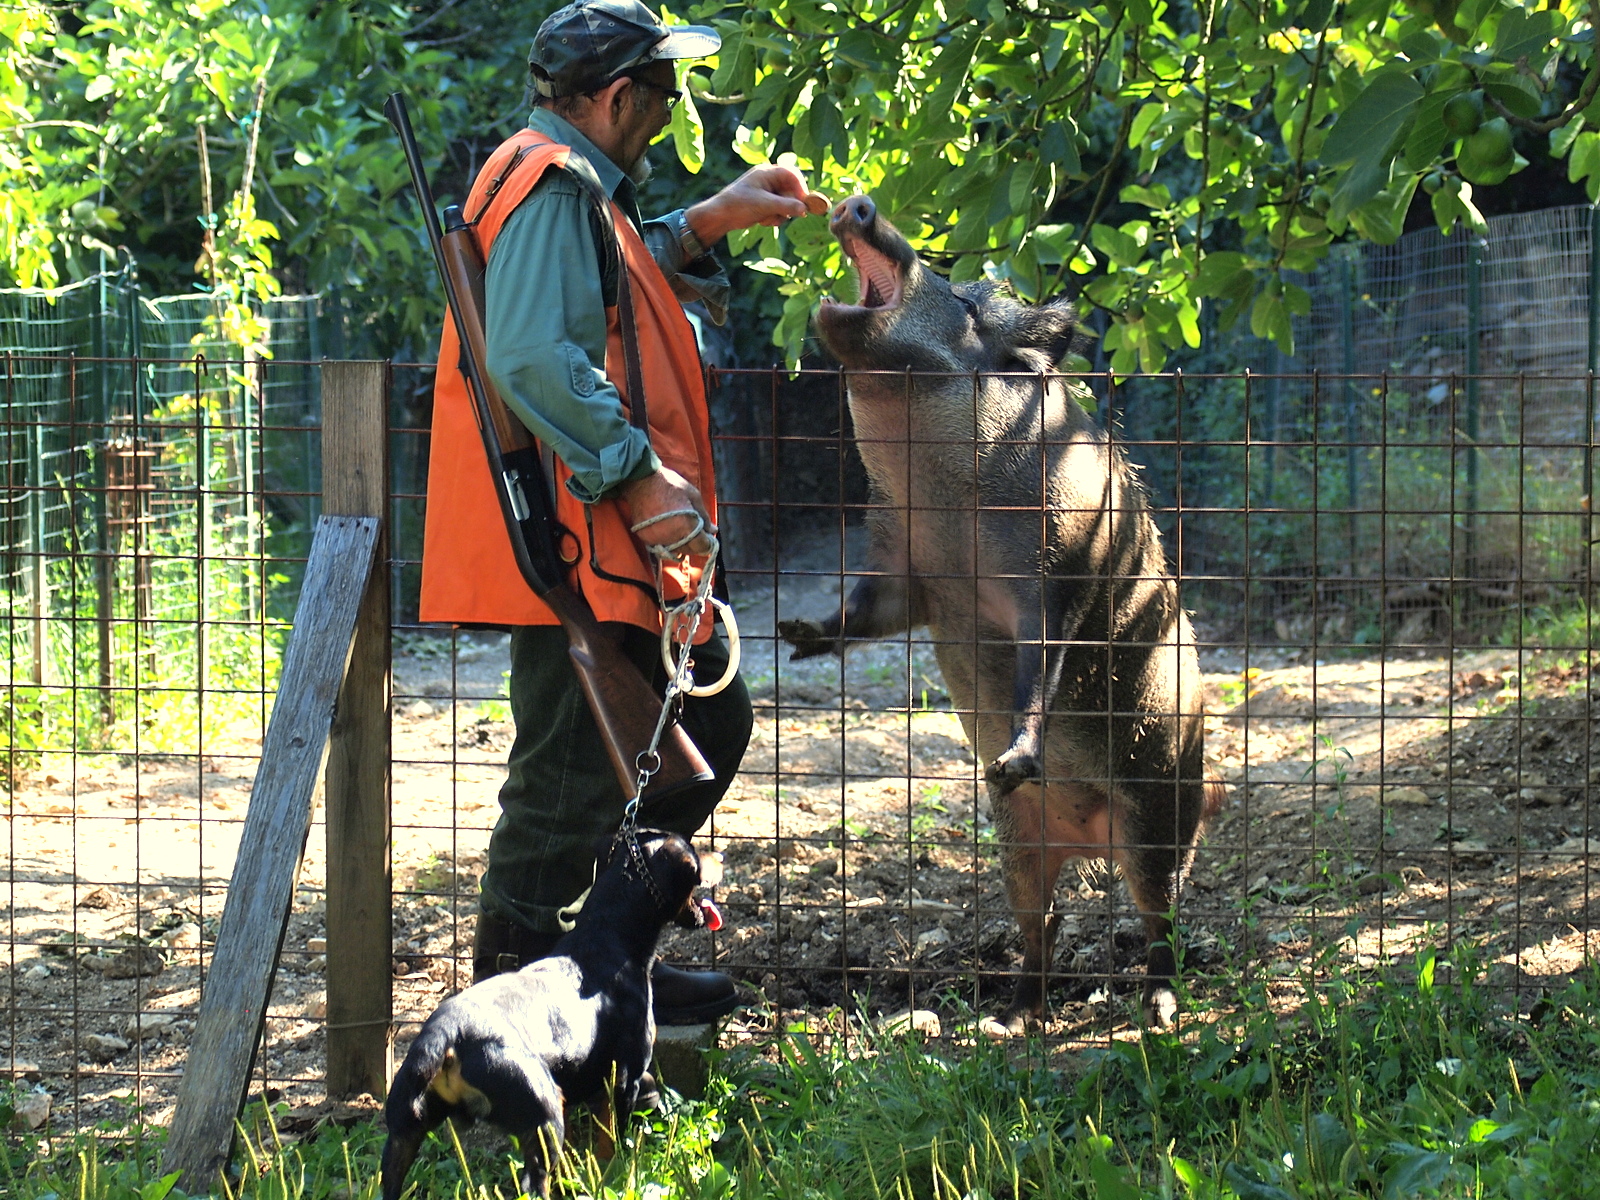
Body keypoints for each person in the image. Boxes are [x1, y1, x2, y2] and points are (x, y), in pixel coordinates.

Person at [417, 0, 827, 1023]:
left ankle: (603, 973)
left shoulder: (571, 187)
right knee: (563, 794)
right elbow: (528, 356)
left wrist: (709, 220)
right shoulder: (555, 189)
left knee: (696, 729)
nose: (667, 107)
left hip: (600, 540)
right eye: (658, 90)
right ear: (611, 97)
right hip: (582, 540)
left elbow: (605, 283)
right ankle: (506, 1030)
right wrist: (638, 474)